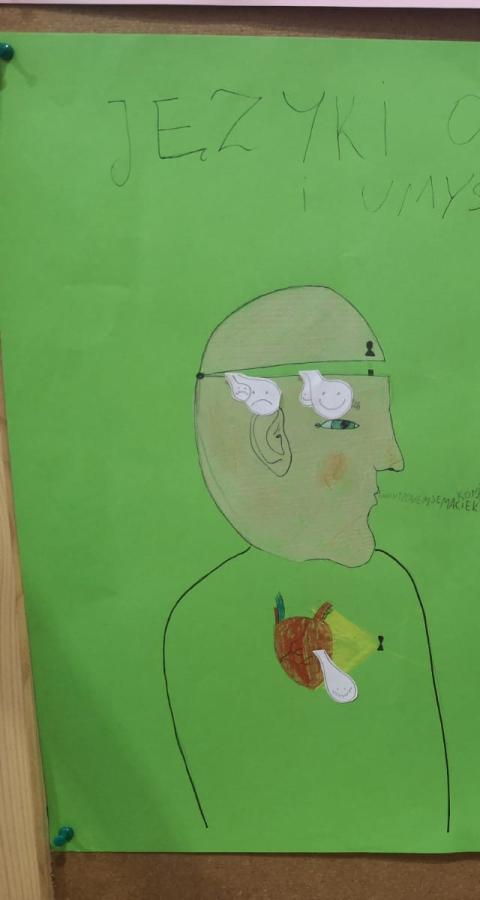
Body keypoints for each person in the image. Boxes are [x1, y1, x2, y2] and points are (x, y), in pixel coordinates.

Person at [163, 285, 449, 845]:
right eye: (349, 423)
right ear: (272, 439)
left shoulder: (393, 587)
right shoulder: (199, 623)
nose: (393, 457)